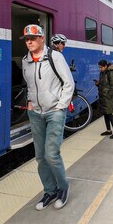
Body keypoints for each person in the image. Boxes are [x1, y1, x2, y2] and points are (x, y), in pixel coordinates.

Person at [20, 24, 75, 211]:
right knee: (40, 157)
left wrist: (61, 106)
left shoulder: (55, 57)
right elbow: (29, 86)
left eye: (33, 38)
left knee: (52, 154)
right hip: (35, 113)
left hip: (54, 112)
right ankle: (49, 190)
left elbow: (69, 83)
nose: (29, 42)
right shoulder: (25, 61)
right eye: (26, 39)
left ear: (42, 39)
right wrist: (29, 101)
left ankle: (63, 188)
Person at [95, 59, 113, 138]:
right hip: (103, 96)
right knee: (105, 113)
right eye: (99, 67)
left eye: (101, 67)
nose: (100, 69)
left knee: (109, 114)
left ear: (105, 66)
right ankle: (109, 130)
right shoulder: (102, 73)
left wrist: (108, 96)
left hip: (108, 97)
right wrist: (98, 84)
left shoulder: (111, 73)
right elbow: (103, 84)